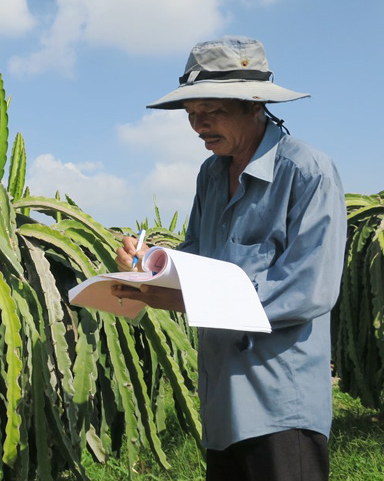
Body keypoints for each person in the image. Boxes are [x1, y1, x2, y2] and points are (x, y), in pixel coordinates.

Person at [112, 36, 346, 480]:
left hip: (280, 400)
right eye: (191, 114)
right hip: (222, 399)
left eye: (212, 111)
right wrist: (151, 264)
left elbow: (308, 290)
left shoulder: (306, 172)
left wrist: (188, 301)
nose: (199, 125)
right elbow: (200, 257)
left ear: (254, 106)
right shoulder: (211, 174)